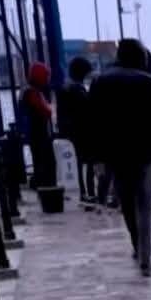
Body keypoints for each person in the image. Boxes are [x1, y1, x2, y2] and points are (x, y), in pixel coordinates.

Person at [89, 39, 151, 277]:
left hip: (116, 155)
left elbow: (93, 123)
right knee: (144, 205)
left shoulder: (100, 82)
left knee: (126, 203)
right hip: (147, 155)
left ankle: (137, 246)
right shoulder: (149, 83)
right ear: (140, 57)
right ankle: (145, 258)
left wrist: (97, 158)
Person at [57, 56, 95, 201]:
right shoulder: (77, 89)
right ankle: (89, 193)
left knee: (76, 165)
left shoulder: (65, 87)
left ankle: (83, 193)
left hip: (70, 132)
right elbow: (87, 110)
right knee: (88, 164)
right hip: (81, 133)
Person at [18, 61, 57, 189]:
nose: (48, 79)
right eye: (46, 76)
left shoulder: (27, 90)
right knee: (45, 160)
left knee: (38, 158)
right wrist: (49, 109)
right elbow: (45, 111)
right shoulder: (33, 92)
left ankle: (39, 181)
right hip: (39, 132)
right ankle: (44, 184)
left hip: (33, 132)